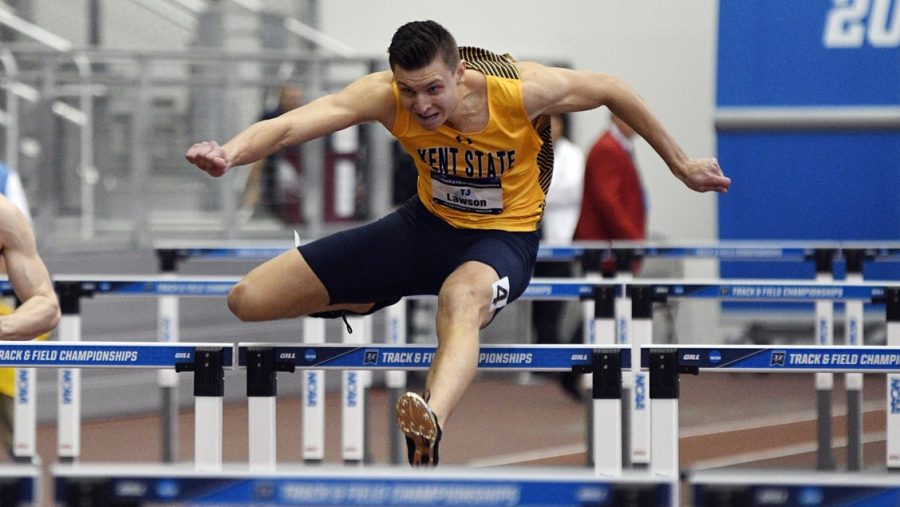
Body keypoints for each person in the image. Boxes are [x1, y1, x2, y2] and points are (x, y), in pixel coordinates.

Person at [185, 20, 730, 467]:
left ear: (460, 74)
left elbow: (612, 87)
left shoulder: (520, 90)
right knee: (248, 299)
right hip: (423, 228)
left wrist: (680, 163)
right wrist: (229, 152)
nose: (421, 106)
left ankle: (429, 421)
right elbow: (291, 125)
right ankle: (363, 296)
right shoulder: (385, 95)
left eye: (433, 89)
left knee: (460, 300)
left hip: (502, 240)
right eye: (409, 91)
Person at [0, 163, 61, 456]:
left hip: (5, 310)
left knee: (13, 421)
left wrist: (4, 327)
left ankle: (24, 475)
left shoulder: (5, 215)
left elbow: (46, 305)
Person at [530, 113, 586, 400]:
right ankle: (542, 362)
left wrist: (536, 194)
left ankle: (553, 361)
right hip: (532, 235)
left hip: (559, 237)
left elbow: (572, 190)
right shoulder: (531, 149)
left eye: (556, 122)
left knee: (555, 301)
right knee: (536, 303)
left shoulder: (573, 154)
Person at [573, 113, 647, 264]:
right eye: (636, 114)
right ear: (618, 116)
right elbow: (608, 202)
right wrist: (632, 238)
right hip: (608, 250)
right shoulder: (606, 148)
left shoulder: (619, 146)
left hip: (616, 247)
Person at [240, 84, 305, 223]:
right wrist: (253, 186)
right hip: (275, 172)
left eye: (296, 98)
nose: (293, 101)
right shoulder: (270, 117)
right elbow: (258, 151)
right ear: (281, 97)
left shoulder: (306, 117)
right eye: (290, 97)